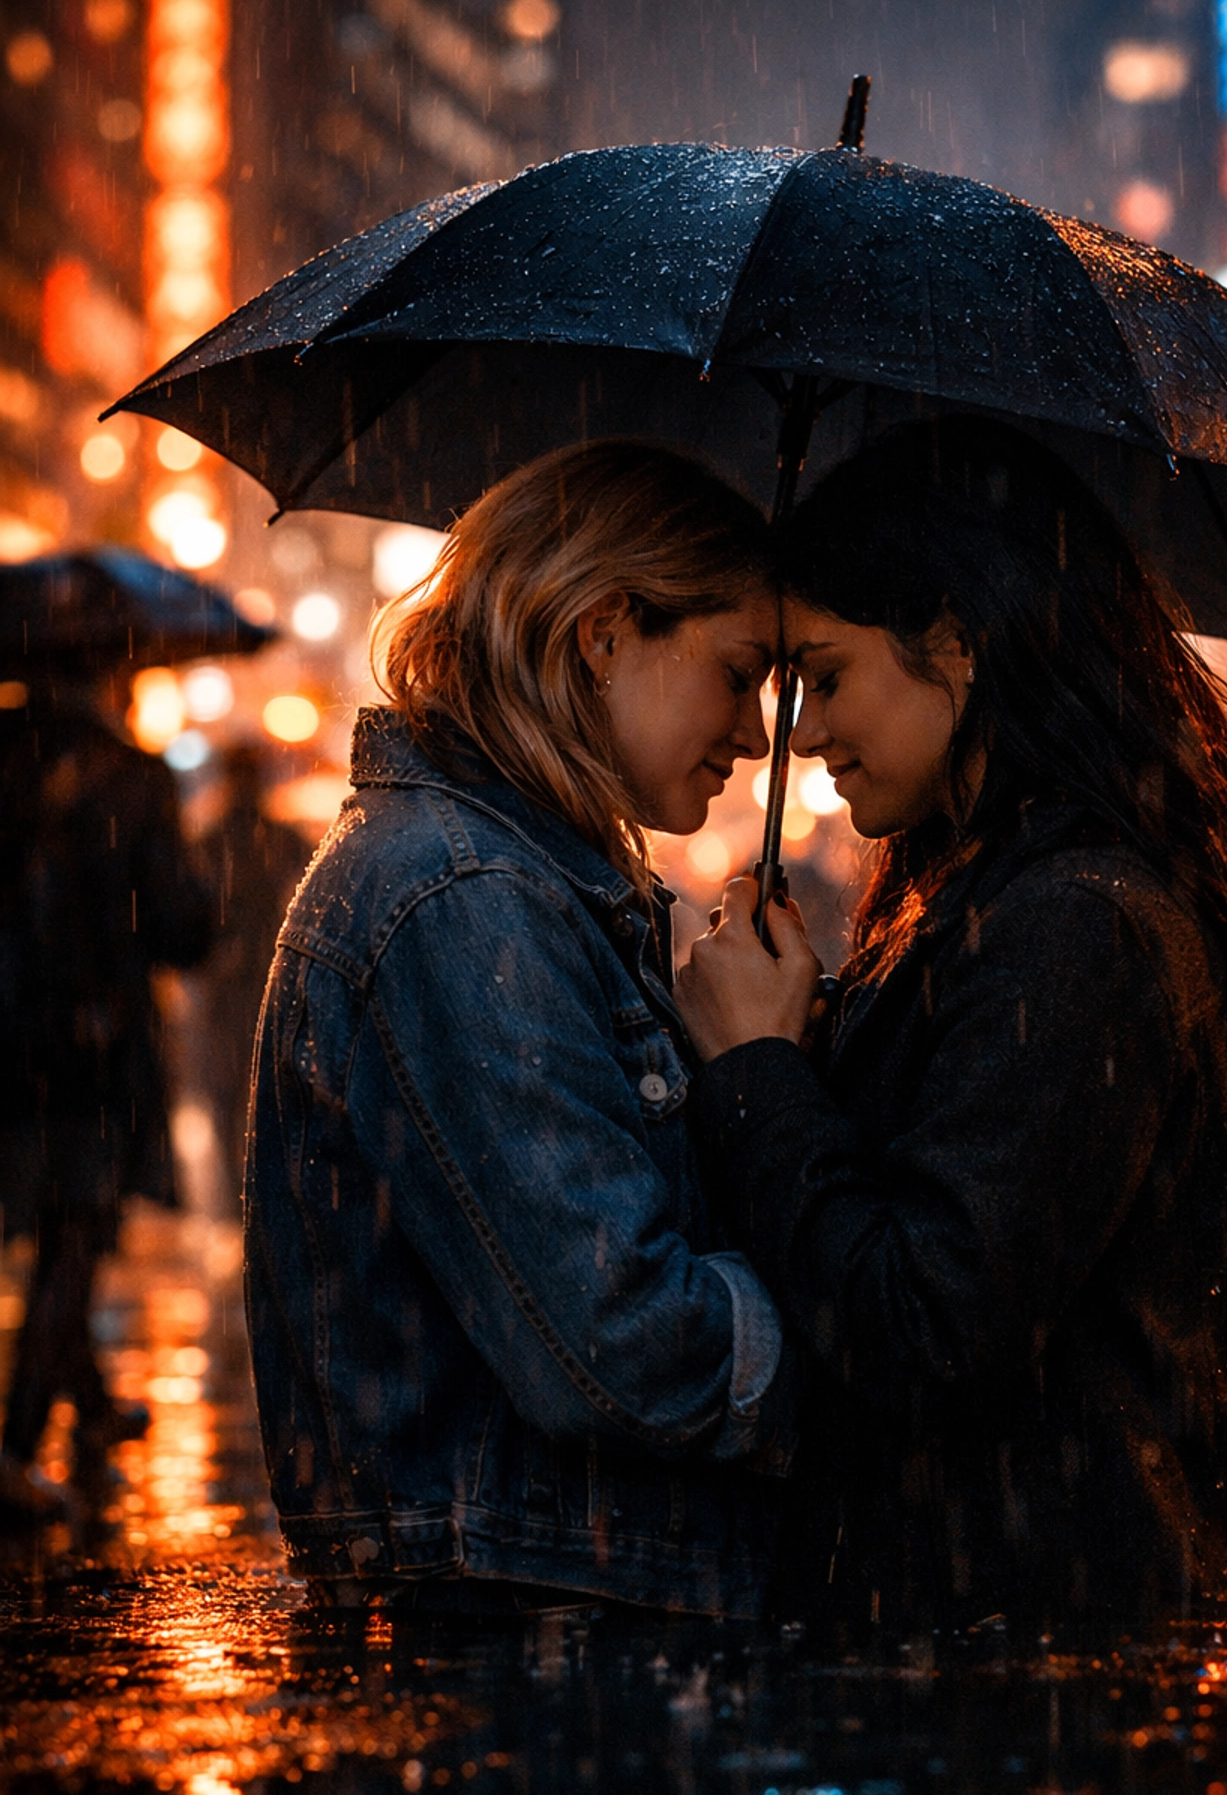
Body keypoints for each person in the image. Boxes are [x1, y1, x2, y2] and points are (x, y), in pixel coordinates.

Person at [676, 419, 1227, 1629]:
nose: (801, 733)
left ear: (957, 647)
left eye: (825, 675)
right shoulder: (985, 902)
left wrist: (763, 1069)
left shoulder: (1078, 928)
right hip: (1000, 1641)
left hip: (1054, 1668)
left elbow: (922, 1327)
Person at [245, 441, 793, 1617]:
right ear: (603, 632)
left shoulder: (541, 887)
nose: (754, 735)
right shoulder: (462, 901)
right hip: (525, 1656)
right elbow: (621, 1342)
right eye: (737, 673)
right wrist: (855, 1332)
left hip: (561, 1628)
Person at [0, 661, 214, 1519]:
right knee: (75, 1230)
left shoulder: (7, 761)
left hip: (7, 1040)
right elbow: (182, 928)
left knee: (48, 1223)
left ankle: (86, 1404)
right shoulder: (128, 774)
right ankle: (14, 1450)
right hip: (91, 1046)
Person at [192, 744, 312, 1212]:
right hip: (268, 981)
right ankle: (268, 1198)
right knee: (270, 1095)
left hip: (230, 986)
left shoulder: (211, 841)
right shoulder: (281, 839)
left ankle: (246, 1199)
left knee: (232, 1096)